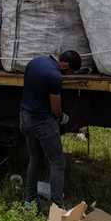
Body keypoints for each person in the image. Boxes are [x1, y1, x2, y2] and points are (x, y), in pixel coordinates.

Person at [20, 51, 81, 209]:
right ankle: (57, 207)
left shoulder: (35, 62)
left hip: (25, 117)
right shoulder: (54, 76)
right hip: (42, 122)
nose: (67, 75)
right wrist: (62, 117)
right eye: (69, 72)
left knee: (34, 157)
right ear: (65, 65)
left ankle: (29, 201)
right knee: (57, 162)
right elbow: (55, 108)